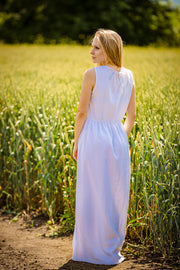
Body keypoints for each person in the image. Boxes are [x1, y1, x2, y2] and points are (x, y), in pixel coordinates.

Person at [72, 29, 136, 265]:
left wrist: (77, 141)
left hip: (93, 136)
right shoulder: (129, 75)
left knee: (91, 192)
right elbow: (132, 116)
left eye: (97, 47)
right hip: (117, 136)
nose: (91, 52)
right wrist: (121, 135)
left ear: (110, 49)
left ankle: (90, 250)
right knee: (113, 193)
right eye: (92, 46)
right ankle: (110, 249)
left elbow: (81, 113)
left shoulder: (92, 74)